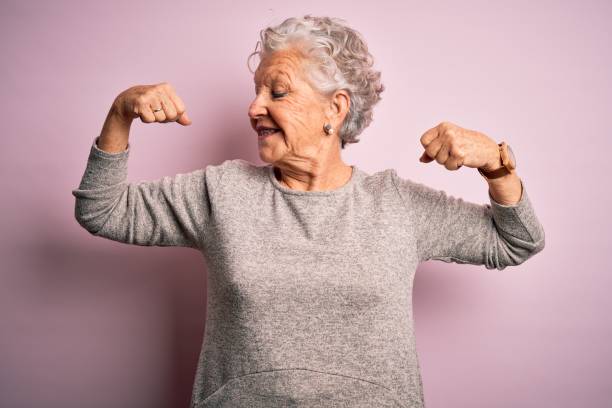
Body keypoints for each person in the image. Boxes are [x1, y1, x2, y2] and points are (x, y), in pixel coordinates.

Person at [72, 15, 545, 408]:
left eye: (276, 93)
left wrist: (497, 166)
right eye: (256, 92)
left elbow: (516, 239)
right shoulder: (224, 192)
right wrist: (120, 113)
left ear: (334, 110)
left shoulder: (396, 205)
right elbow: (103, 209)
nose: (254, 107)